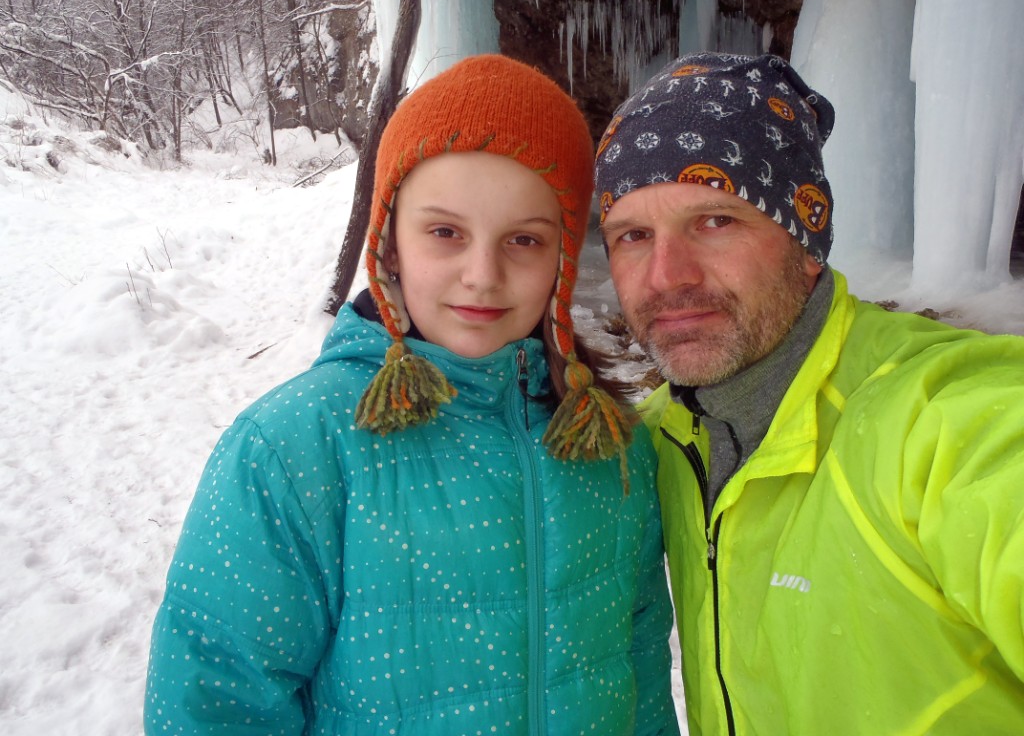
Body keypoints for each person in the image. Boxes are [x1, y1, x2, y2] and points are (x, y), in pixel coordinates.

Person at [143, 54, 679, 735]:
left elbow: (641, 674)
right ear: (390, 241)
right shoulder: (293, 448)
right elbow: (217, 701)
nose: (482, 274)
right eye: (445, 232)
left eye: (524, 239)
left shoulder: (611, 446)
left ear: (564, 258)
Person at [594, 51, 1024, 734]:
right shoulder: (653, 444)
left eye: (715, 221)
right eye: (634, 235)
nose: (667, 276)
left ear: (806, 242)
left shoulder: (940, 418)